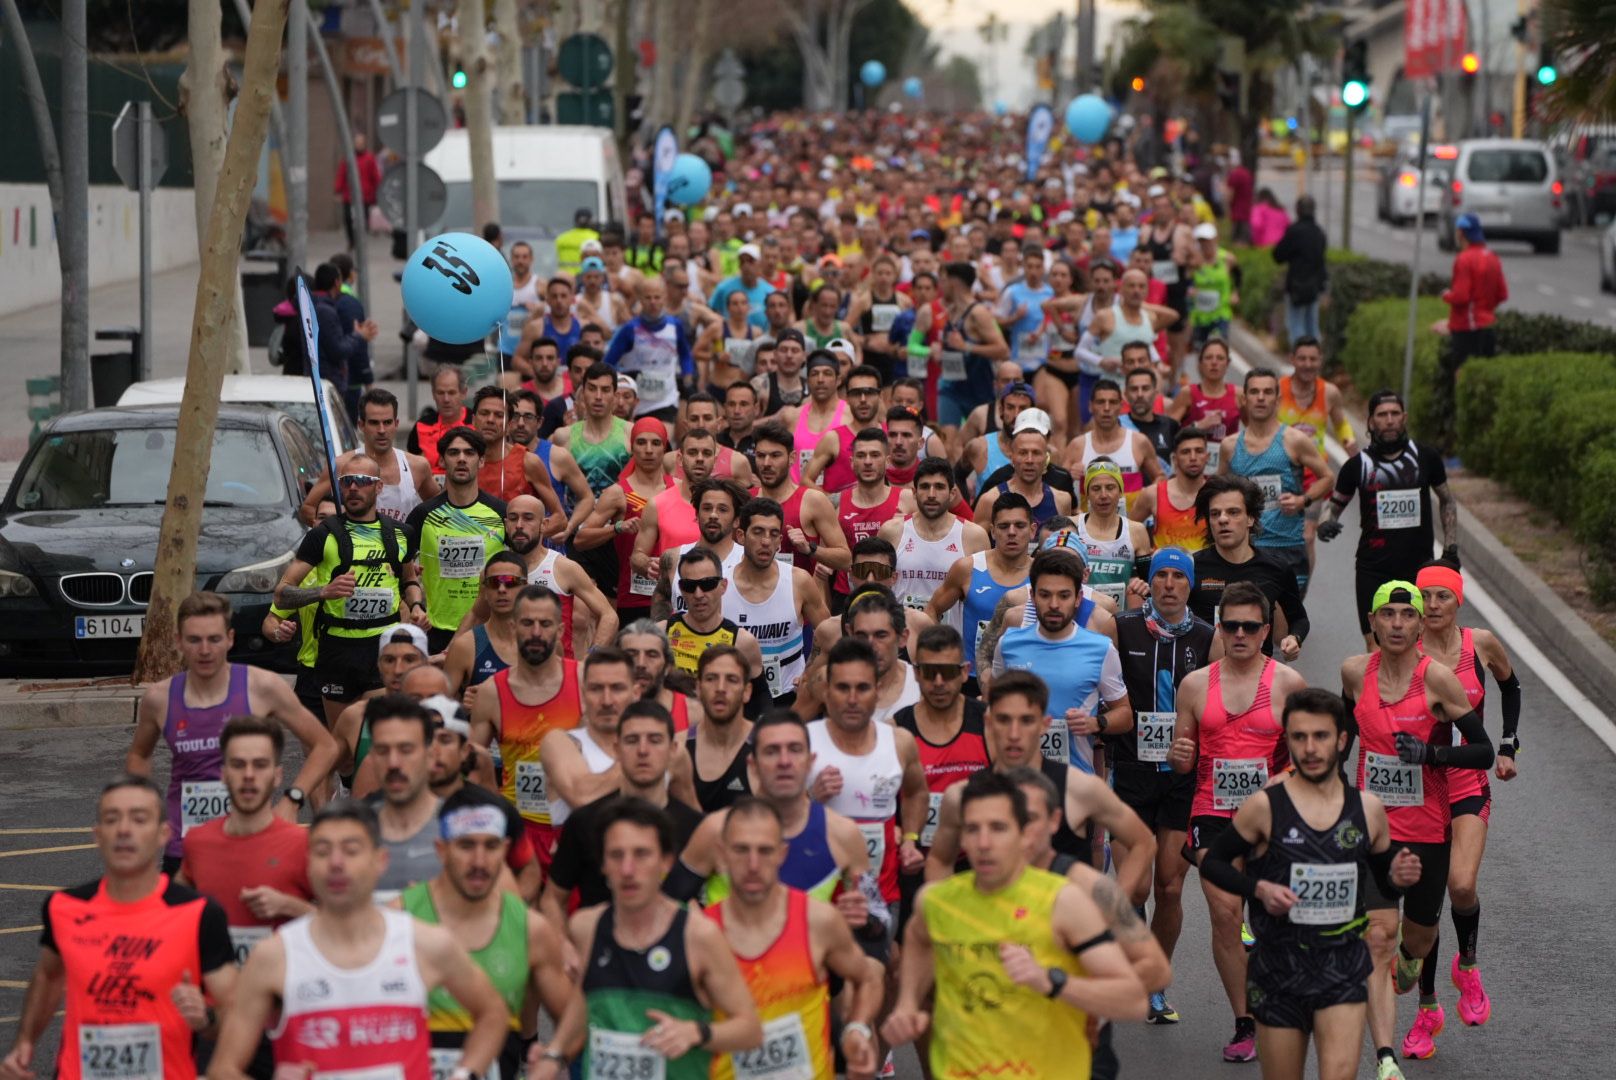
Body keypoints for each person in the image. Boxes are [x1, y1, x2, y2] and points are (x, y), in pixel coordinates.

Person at [1198, 689, 1423, 1080]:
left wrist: (1398, 878)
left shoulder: (1367, 809)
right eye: (1299, 737)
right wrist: (1259, 890)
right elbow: (1214, 864)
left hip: (1342, 967)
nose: (1310, 748)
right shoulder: (1265, 806)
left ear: (1341, 740)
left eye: (1320, 736)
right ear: (1288, 740)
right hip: (1278, 971)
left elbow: (1385, 880)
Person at [209, 800, 511, 1080]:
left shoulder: (425, 943)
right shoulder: (274, 956)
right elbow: (223, 1069)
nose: (336, 863)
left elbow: (493, 1013)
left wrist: (464, 1075)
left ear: (380, 861)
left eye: (351, 850)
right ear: (308, 862)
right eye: (323, 851)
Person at [884, 770, 1149, 1080]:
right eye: (972, 829)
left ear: (1023, 834)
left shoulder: (1066, 902)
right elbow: (918, 940)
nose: (983, 843)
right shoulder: (937, 901)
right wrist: (906, 1004)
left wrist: (1053, 983)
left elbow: (1133, 999)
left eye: (998, 828)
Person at [1340, 582, 1494, 1079]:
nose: (1400, 623)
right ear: (1374, 620)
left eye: (1409, 614)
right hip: (1373, 831)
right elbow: (1342, 737)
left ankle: (1412, 962)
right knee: (1377, 935)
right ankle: (1385, 1057)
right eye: (1390, 614)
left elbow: (1483, 752)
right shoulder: (1352, 673)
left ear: (1418, 624)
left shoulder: (1439, 680)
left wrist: (1431, 754)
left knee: (1418, 939)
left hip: (1427, 829)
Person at [3, 776, 235, 1080]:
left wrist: (205, 1019)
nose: (124, 829)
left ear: (163, 833)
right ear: (97, 834)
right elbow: (48, 975)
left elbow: (237, 1014)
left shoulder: (199, 913)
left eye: (139, 819)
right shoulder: (64, 907)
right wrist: (24, 1041)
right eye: (112, 819)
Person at [1166, 580, 1309, 1062]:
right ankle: (1245, 1020)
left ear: (1266, 630)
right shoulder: (1194, 685)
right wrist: (1178, 752)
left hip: (1271, 816)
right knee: (1226, 915)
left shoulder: (1288, 685)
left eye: (1251, 626)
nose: (1241, 634)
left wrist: (1282, 777)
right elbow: (1181, 759)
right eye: (1232, 626)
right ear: (1220, 628)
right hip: (1211, 812)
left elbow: (1313, 756)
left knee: (1270, 919)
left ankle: (1277, 998)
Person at [527, 800, 764, 1080]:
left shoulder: (698, 935)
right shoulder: (586, 927)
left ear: (665, 861)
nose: (628, 869)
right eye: (616, 855)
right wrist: (555, 1055)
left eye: (641, 854)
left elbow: (750, 1030)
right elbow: (584, 1003)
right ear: (603, 864)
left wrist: (696, 1032)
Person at [126, 592, 337, 871]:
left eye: (214, 639)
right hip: (186, 845)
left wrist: (292, 800)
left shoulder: (262, 687)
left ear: (230, 638)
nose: (205, 650)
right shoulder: (160, 699)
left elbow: (325, 746)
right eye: (194, 640)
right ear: (178, 641)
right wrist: (143, 806)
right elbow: (139, 755)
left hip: (252, 841)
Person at [1105, 547, 1217, 1025]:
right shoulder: (1122, 627)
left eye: (1178, 576)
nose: (1169, 584)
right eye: (1161, 575)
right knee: (1132, 892)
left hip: (1181, 780)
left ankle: (1157, 977)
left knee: (1169, 888)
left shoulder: (1209, 637)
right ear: (1148, 582)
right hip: (1129, 773)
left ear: (1190, 584)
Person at [399, 787, 576, 1080]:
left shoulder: (530, 929)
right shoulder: (400, 919)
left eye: (491, 846)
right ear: (441, 850)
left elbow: (573, 1019)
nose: (479, 861)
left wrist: (553, 1058)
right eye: (466, 845)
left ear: (505, 851)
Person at [702, 797, 885, 1080]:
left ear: (782, 854)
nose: (753, 864)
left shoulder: (818, 921)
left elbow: (869, 976)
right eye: (741, 850)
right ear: (722, 853)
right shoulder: (698, 933)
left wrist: (856, 1029)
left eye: (765, 851)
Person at [1412, 562, 1519, 1029]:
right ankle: (1427, 1007)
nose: (1433, 606)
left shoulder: (1482, 644)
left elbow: (1510, 685)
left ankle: (1469, 966)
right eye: (1426, 597)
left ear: (1459, 602)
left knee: (1461, 885)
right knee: (1426, 903)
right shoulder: (1402, 647)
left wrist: (1508, 743)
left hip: (1466, 780)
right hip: (1419, 786)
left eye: (1443, 597)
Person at [277, 452, 426, 723]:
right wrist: (323, 591)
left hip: (383, 647)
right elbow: (282, 594)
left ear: (379, 487)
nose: (353, 488)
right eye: (346, 482)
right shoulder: (322, 535)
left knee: (376, 737)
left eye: (362, 480)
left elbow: (409, 580)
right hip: (338, 650)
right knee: (343, 746)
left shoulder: (402, 533)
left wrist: (416, 604)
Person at [541, 700, 705, 923]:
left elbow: (715, 903)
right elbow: (553, 899)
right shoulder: (584, 822)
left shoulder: (695, 827)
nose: (643, 751)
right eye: (632, 740)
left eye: (655, 740)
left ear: (673, 749)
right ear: (617, 749)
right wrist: (565, 948)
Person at [1317, 390, 1457, 649]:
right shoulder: (1357, 465)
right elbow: (1334, 506)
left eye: (1395, 414)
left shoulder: (1426, 457)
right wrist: (1325, 522)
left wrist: (1451, 549)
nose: (1389, 420)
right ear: (1371, 422)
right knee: (1376, 648)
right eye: (1382, 415)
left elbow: (1447, 500)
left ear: (1404, 418)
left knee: (1421, 645)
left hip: (1418, 568)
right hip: (1374, 569)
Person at [178, 716, 314, 967]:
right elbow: (173, 917)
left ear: (277, 776)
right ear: (223, 774)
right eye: (238, 765)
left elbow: (344, 927)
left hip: (279, 999)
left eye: (260, 765)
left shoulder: (304, 844)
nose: (249, 775)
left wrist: (290, 905)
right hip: (214, 1000)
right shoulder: (198, 842)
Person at [469, 585, 583, 869]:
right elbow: (472, 762)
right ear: (513, 628)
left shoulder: (584, 681)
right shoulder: (491, 692)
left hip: (573, 828)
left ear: (559, 631)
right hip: (519, 830)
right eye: (527, 623)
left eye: (545, 624)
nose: (535, 633)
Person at [991, 548, 1132, 774]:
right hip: (1016, 780)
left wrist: (1097, 724)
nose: (1054, 604)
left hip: (1073, 783)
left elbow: (1125, 715)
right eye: (1045, 595)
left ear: (1078, 598)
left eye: (1064, 595)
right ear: (1032, 596)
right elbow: (993, 704)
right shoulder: (1008, 644)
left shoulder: (1100, 648)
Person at [1218, 369, 1335, 598]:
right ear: (1245, 399)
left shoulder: (1294, 440)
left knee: (1288, 626)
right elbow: (1218, 491)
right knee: (1251, 624)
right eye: (1254, 392)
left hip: (1288, 548)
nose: (1261, 397)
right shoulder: (1230, 446)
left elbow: (1328, 477)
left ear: (1278, 400)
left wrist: (1303, 500)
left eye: (1267, 392)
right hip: (1246, 550)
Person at [406, 426, 509, 654]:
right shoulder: (422, 514)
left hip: (488, 627)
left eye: (469, 453)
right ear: (442, 461)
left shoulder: (501, 513)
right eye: (453, 453)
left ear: (481, 461)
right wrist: (414, 604)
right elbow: (398, 568)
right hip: (435, 630)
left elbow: (525, 563)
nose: (461, 459)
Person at [724, 497, 832, 706]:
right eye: (757, 532)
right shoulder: (720, 585)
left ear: (779, 542)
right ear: (740, 536)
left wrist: (809, 672)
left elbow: (829, 634)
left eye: (773, 534)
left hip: (789, 695)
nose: (766, 541)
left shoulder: (799, 581)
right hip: (735, 696)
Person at [1189, 474, 1309, 661]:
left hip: (1258, 677)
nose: (1223, 519)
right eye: (1215, 514)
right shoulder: (1192, 566)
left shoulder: (1276, 568)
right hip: (1206, 677)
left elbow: (1299, 619)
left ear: (1250, 519)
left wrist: (1295, 638)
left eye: (1233, 512)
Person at [573, 416, 675, 622]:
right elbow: (580, 539)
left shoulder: (678, 489)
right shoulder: (617, 493)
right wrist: (617, 528)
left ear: (664, 448)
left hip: (675, 595)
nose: (648, 449)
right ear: (631, 447)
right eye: (641, 442)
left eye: (656, 443)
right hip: (634, 599)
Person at [925, 492, 1035, 680]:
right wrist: (940, 653)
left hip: (1025, 680)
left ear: (1032, 530)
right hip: (972, 678)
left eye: (1019, 525)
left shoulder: (1042, 574)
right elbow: (932, 609)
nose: (1011, 532)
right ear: (992, 531)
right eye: (1003, 526)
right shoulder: (967, 568)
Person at [501, 493, 619, 657]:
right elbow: (478, 615)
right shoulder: (496, 569)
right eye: (513, 518)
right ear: (506, 524)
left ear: (544, 524)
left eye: (528, 518)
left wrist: (590, 658)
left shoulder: (563, 567)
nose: (519, 525)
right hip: (509, 673)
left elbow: (609, 616)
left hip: (558, 676)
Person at [301, 389, 438, 526]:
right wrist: (333, 533)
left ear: (396, 424)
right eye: (374, 423)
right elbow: (308, 509)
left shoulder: (417, 466)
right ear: (361, 425)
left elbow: (440, 510)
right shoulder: (341, 465)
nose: (381, 430)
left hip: (401, 547)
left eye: (387, 422)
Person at [880, 458, 991, 612]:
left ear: (952, 493)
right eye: (925, 487)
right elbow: (878, 589)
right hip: (902, 632)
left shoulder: (975, 536)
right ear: (914, 492)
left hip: (952, 634)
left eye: (939, 487)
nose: (931, 494)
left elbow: (983, 598)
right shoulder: (891, 531)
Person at [750, 421, 849, 579]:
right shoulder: (746, 500)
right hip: (753, 598)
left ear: (792, 458)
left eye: (775, 456)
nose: (766, 463)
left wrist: (810, 549)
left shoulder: (812, 500)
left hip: (798, 600)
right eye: (761, 456)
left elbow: (845, 560)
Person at [604, 277, 697, 422]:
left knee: (662, 441)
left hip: (666, 398)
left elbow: (685, 354)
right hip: (634, 402)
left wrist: (688, 376)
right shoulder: (630, 329)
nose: (653, 302)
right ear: (640, 299)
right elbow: (608, 362)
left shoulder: (675, 326)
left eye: (657, 297)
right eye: (648, 297)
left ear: (664, 298)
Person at [1065, 380, 1163, 507]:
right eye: (1101, 402)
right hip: (1088, 524)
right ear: (1090, 406)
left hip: (1132, 523)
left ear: (1121, 406)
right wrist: (1070, 477)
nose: (1106, 408)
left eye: (1112, 402)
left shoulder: (1138, 441)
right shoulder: (1077, 445)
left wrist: (1148, 494)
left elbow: (1161, 478)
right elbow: (1059, 488)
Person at [1075, 458, 1153, 609]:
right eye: (1096, 488)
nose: (1103, 495)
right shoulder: (1072, 526)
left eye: (1110, 487)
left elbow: (1149, 587)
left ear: (1120, 491)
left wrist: (1141, 587)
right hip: (1079, 617)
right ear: (1087, 493)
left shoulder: (1136, 531)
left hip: (1118, 620)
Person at [688, 645, 757, 812]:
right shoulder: (678, 747)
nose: (720, 688)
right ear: (698, 688)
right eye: (711, 678)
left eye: (731, 679)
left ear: (747, 691)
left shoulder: (767, 746)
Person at [1438, 212, 1507, 369]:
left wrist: (1446, 295)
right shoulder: (1492, 257)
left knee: (1461, 373)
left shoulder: (1464, 259)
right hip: (1488, 326)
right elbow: (1502, 294)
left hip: (1466, 329)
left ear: (1461, 233)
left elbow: (1461, 296)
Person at [1129, 426, 1212, 553]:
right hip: (1165, 571)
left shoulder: (1216, 495)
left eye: (1199, 451)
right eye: (1185, 452)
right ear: (1174, 459)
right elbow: (1127, 532)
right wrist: (1143, 556)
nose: (1193, 457)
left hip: (1204, 571)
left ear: (1207, 456)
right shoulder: (1152, 494)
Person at [1272, 194, 1328, 345]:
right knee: (1312, 327)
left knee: (1296, 325)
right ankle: (1314, 359)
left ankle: (1300, 359)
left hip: (1296, 284)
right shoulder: (1319, 232)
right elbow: (1322, 260)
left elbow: (1278, 255)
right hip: (1314, 286)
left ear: (1297, 211)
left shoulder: (1294, 231)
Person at [1119, 363, 1179, 477]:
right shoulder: (1117, 425)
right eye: (1134, 389)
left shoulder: (1171, 426)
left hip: (1161, 492)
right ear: (1125, 394)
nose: (1140, 394)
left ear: (1155, 393)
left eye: (1145, 388)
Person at [410, 366, 472, 475]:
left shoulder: (476, 422)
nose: (446, 399)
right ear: (433, 394)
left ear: (463, 393)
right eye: (440, 393)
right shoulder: (421, 426)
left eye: (452, 393)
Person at [1188, 222, 1240, 346]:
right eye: (1201, 241)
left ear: (1215, 239)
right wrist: (1190, 289)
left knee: (1218, 345)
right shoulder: (1194, 261)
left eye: (1207, 240)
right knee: (1200, 350)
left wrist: (1235, 292)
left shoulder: (1227, 258)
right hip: (1200, 313)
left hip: (1220, 311)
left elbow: (1238, 275)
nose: (1205, 244)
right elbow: (1187, 281)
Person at [335, 133, 381, 250]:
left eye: (361, 143)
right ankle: (351, 241)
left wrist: (378, 190)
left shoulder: (369, 159)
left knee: (363, 219)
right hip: (349, 195)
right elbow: (342, 173)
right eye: (357, 143)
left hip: (365, 195)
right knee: (347, 218)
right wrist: (338, 189)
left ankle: (361, 240)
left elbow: (375, 176)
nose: (359, 145)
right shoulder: (348, 158)